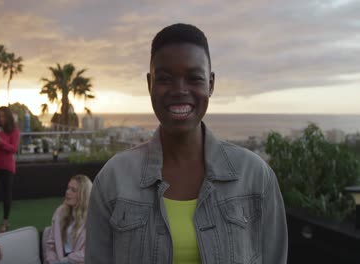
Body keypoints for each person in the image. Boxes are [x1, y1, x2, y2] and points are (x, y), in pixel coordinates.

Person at [85, 23, 288, 264]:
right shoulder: (113, 179)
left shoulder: (254, 176)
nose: (180, 90)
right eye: (165, 79)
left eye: (194, 78)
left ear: (211, 84)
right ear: (149, 84)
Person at [43, 174, 93, 264]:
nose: (67, 192)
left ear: (83, 195)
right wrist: (53, 261)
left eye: (73, 190)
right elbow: (51, 244)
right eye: (68, 188)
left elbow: (91, 252)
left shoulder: (93, 218)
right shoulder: (60, 212)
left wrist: (66, 260)